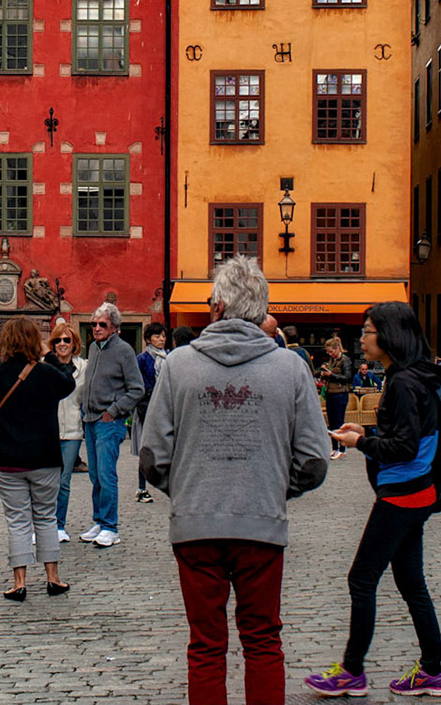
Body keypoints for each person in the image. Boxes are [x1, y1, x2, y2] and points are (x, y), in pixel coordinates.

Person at [141, 256, 331, 705]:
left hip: (195, 523)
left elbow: (152, 456)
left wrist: (186, 487)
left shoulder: (179, 365)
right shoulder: (290, 368)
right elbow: (314, 460)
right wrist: (275, 486)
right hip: (260, 522)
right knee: (263, 639)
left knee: (205, 645)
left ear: (219, 306)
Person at [306, 302, 441, 699]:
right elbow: (410, 437)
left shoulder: (403, 382)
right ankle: (433, 671)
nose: (362, 338)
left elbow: (403, 447)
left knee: (362, 578)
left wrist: (361, 442)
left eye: (368, 331)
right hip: (416, 490)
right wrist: (366, 431)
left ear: (389, 335)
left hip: (402, 493)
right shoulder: (412, 377)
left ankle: (352, 671)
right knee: (411, 583)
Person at [0, 316, 77, 600]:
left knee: (17, 520)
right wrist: (49, 356)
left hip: (7, 459)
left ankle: (19, 583)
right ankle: (53, 578)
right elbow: (67, 383)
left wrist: (2, 359)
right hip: (44, 456)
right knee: (46, 517)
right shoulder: (47, 374)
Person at [80, 301, 144, 549]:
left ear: (115, 327)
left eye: (101, 324)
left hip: (108, 422)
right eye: (93, 323)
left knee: (107, 476)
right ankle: (99, 521)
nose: (96, 328)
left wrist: (114, 411)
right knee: (96, 475)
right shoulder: (94, 348)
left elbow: (137, 388)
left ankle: (110, 527)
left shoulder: (124, 350)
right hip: (90, 420)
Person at [49, 324, 87, 542]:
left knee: (63, 480)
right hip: (48, 430)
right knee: (46, 480)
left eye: (66, 340)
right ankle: (45, 524)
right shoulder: (46, 367)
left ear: (74, 344)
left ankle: (59, 525)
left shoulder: (84, 367)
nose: (62, 344)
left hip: (72, 430)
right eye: (58, 340)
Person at [134, 322, 168, 501]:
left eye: (163, 336)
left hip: (165, 407)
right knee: (145, 449)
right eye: (157, 336)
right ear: (148, 339)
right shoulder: (142, 359)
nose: (161, 339)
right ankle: (141, 489)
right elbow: (138, 383)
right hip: (146, 408)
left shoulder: (169, 357)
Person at [317, 336, 356, 460]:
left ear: (337, 348)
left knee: (339, 422)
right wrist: (323, 374)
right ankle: (334, 448)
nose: (330, 354)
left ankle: (342, 449)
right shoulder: (331, 361)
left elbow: (347, 377)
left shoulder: (346, 361)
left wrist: (331, 375)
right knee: (332, 423)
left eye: (331, 351)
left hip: (340, 393)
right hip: (330, 393)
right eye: (328, 352)